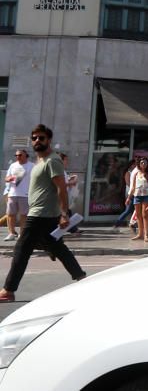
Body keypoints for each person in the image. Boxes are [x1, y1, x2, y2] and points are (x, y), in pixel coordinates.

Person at [0, 124, 87, 303]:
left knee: (21, 249)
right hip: (42, 214)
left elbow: (61, 188)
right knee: (57, 248)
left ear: (49, 140)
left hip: (41, 214)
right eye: (34, 138)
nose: (37, 141)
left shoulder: (52, 161)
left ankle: (8, 290)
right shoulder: (41, 162)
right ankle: (81, 277)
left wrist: (64, 213)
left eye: (41, 138)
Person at [4, 149, 32, 240]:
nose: (17, 157)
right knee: (10, 214)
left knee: (24, 215)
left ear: (25, 155)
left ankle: (22, 234)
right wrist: (9, 179)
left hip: (25, 194)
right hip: (12, 193)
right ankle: (11, 233)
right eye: (16, 155)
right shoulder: (13, 165)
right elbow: (6, 178)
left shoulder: (32, 166)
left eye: (20, 155)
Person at [126, 157, 148, 242]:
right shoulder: (136, 174)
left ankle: (146, 235)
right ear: (139, 164)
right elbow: (133, 187)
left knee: (145, 215)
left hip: (147, 196)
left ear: (147, 164)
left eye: (145, 162)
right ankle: (140, 234)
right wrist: (129, 197)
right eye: (142, 162)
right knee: (138, 215)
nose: (143, 164)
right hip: (137, 196)